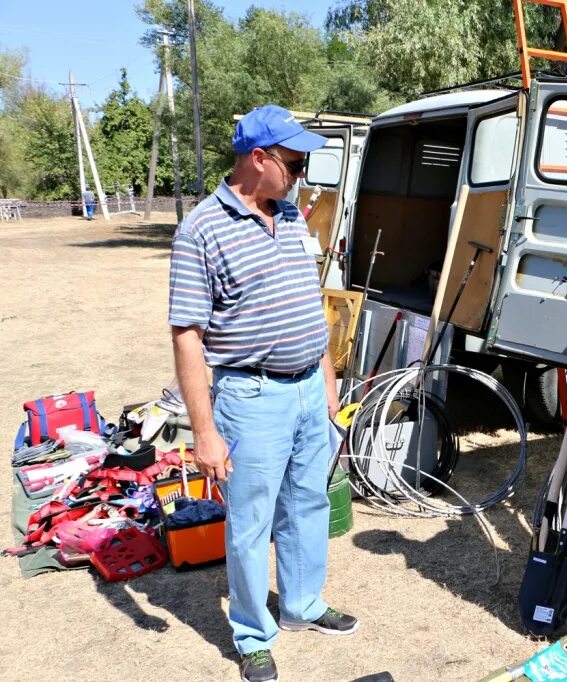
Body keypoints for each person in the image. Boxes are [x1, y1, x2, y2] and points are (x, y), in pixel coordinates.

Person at [168, 104, 356, 682]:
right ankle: (252, 633)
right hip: (251, 399)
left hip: (306, 392)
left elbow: (309, 306)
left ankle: (302, 604)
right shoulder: (201, 229)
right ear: (258, 159)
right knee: (250, 522)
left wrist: (327, 386)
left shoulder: (293, 217)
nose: (303, 176)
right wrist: (205, 432)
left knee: (308, 503)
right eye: (295, 164)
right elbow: (187, 335)